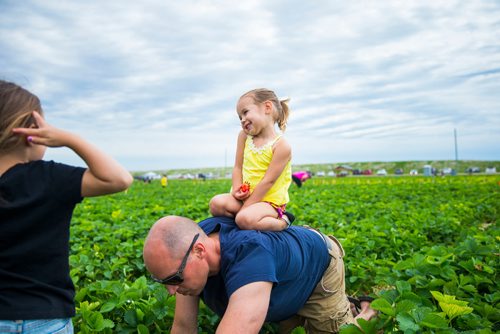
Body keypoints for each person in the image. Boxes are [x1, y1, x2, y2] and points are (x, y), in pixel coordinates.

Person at [0, 80, 133, 333]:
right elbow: (119, 179)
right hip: (44, 318)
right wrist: (69, 139)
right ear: (32, 133)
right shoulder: (47, 177)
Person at [143, 215, 377, 333]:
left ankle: (370, 310)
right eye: (163, 281)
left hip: (317, 267)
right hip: (283, 271)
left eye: (174, 279)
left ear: (199, 251)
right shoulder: (188, 249)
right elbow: (184, 327)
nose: (171, 291)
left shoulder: (249, 257)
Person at [209, 88, 293, 231]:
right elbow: (238, 167)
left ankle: (284, 221)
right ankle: (247, 215)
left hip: (268, 203)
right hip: (245, 199)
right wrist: (236, 190)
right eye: (239, 117)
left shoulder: (281, 145)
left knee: (243, 219)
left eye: (245, 112)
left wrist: (247, 207)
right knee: (215, 203)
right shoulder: (244, 137)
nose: (242, 120)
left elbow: (268, 181)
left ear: (267, 107)